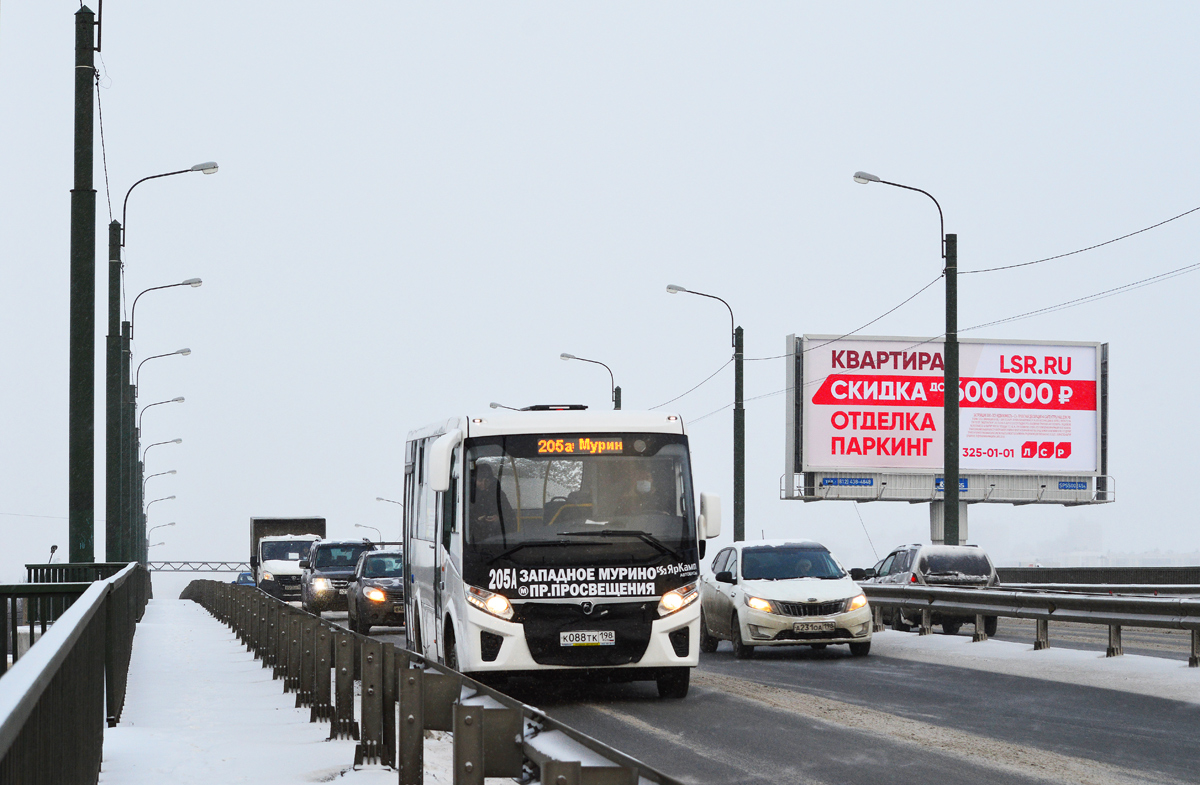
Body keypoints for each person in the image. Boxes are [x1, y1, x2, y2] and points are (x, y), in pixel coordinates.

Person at [470, 463, 514, 540]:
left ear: (491, 480)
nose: (483, 484)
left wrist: (499, 519)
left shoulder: (498, 494)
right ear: (474, 480)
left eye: (487, 480)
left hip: (497, 538)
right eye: (480, 480)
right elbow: (461, 519)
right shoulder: (467, 494)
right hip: (473, 539)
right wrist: (476, 520)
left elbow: (510, 516)